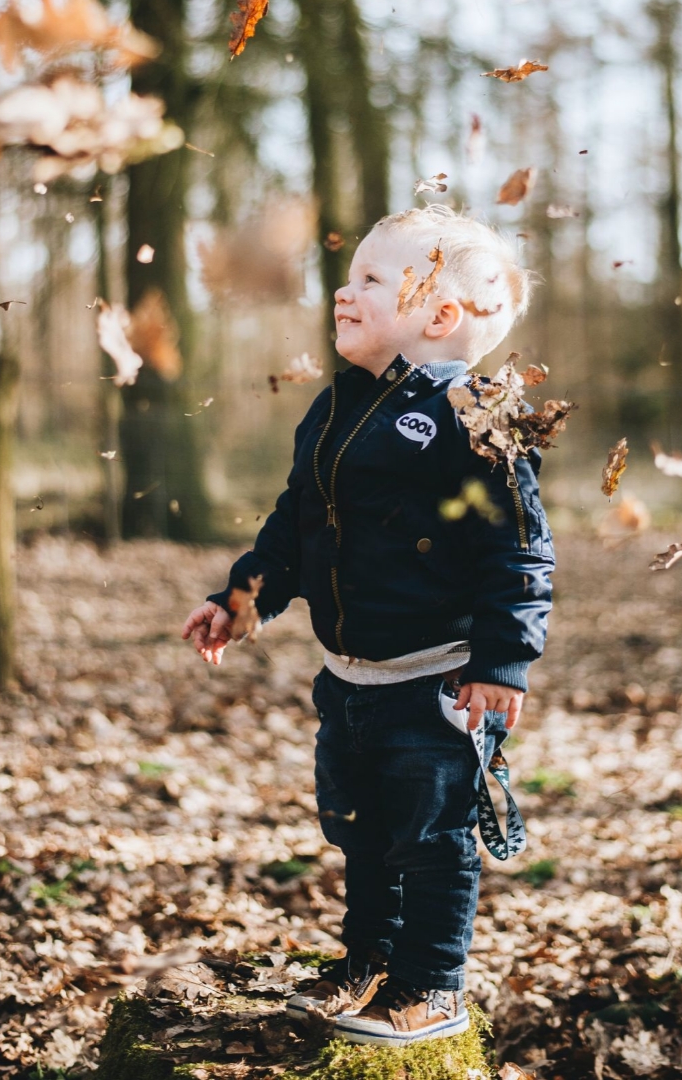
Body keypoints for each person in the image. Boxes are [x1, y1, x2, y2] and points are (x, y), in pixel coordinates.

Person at [182, 204, 555, 1047]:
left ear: (439, 315)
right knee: (361, 830)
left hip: (436, 681)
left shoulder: (475, 413)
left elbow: (521, 550)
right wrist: (244, 597)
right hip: (348, 681)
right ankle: (370, 962)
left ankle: (432, 986)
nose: (344, 295)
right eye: (349, 279)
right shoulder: (339, 407)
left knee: (429, 837)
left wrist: (502, 662)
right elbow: (297, 522)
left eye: (373, 281)